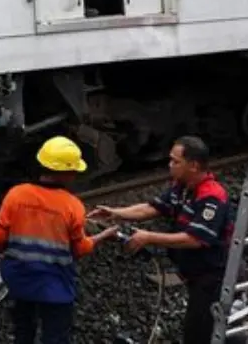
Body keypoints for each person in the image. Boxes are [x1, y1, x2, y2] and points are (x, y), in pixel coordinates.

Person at [88, 136, 232, 344]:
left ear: (193, 165)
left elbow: (195, 239)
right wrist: (114, 213)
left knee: (199, 333)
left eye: (175, 161)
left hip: (213, 276)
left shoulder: (211, 197)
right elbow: (153, 207)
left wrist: (148, 237)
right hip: (195, 272)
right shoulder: (181, 187)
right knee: (201, 326)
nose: (169, 165)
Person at [0, 136, 118, 344]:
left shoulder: (15, 195)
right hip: (55, 286)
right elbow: (80, 249)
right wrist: (103, 236)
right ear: (67, 174)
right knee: (55, 336)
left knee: (23, 332)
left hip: (19, 280)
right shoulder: (73, 206)